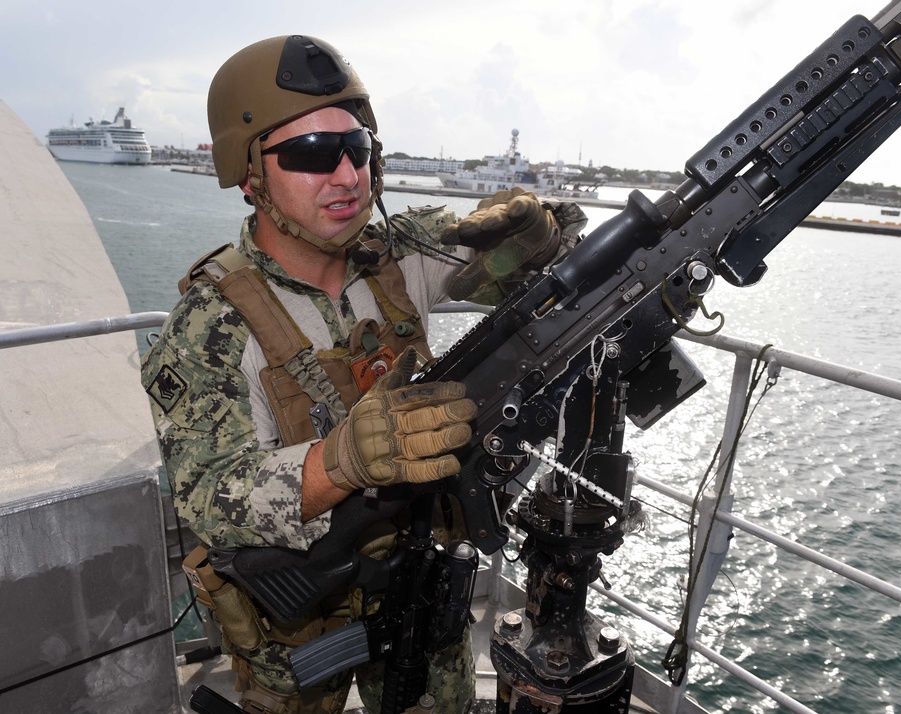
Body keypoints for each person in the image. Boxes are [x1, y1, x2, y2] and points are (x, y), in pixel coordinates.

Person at [141, 35, 587, 714]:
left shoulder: (394, 255)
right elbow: (208, 497)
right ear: (249, 172)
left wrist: (542, 231)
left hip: (419, 579)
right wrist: (340, 461)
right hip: (297, 618)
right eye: (313, 156)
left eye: (358, 150)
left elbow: (520, 255)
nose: (348, 177)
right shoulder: (212, 325)